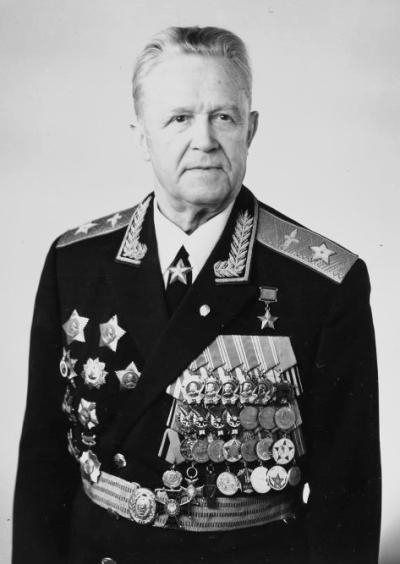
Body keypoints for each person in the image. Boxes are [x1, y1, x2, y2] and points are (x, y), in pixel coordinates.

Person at [13, 26, 381, 564]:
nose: (205, 140)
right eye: (179, 118)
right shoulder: (75, 262)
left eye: (223, 117)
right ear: (142, 135)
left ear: (251, 130)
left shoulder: (322, 284)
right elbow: (42, 467)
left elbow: (347, 498)